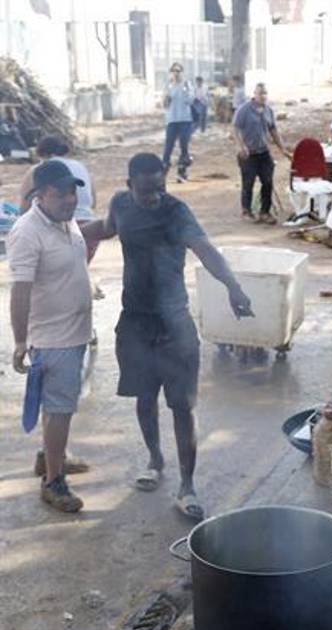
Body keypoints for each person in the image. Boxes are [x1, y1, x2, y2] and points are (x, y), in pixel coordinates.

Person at [81, 153, 254, 520]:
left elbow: (205, 249)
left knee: (182, 406)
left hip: (174, 322)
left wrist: (233, 287)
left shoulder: (177, 212)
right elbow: (107, 227)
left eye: (159, 187)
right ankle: (155, 460)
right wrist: (61, 233)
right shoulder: (120, 204)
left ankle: (187, 485)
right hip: (135, 321)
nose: (154, 196)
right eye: (146, 190)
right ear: (130, 186)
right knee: (144, 398)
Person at [8, 161, 92, 513]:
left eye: (73, 192)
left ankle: (49, 457)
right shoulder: (27, 231)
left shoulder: (63, 220)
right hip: (53, 338)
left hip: (75, 333)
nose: (71, 199)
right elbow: (20, 290)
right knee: (59, 410)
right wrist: (20, 341)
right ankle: (53, 482)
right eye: (61, 194)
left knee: (58, 407)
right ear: (41, 196)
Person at [19, 135, 98, 262]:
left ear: (41, 154)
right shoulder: (80, 166)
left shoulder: (39, 170)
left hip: (61, 231)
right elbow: (93, 202)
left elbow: (24, 208)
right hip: (89, 228)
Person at [232, 82, 291, 225]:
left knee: (268, 182)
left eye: (265, 93)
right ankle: (246, 210)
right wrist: (241, 146)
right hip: (248, 154)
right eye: (260, 93)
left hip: (264, 152)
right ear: (254, 94)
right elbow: (235, 129)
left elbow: (273, 131)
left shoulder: (268, 111)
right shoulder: (244, 110)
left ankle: (265, 212)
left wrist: (283, 149)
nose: (263, 96)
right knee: (248, 183)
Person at [162, 62, 194, 183]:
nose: (176, 73)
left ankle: (182, 171)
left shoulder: (187, 84)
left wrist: (184, 90)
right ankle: (163, 170)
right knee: (168, 146)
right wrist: (166, 98)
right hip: (172, 120)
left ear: (182, 72)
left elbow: (190, 100)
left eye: (178, 70)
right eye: (174, 70)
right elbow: (164, 104)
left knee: (183, 146)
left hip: (185, 120)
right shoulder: (168, 86)